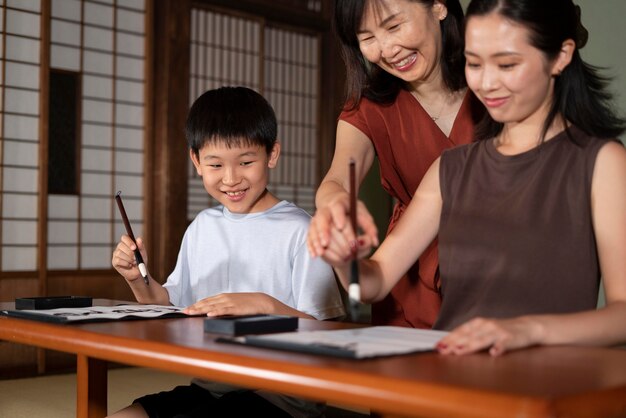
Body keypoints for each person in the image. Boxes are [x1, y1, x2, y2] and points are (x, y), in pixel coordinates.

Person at [309, 0, 626, 356]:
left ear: (561, 56)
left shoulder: (602, 163)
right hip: (453, 376)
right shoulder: (450, 168)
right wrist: (342, 257)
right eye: (474, 64)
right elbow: (372, 284)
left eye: (507, 64)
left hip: (546, 387)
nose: (487, 83)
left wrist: (529, 329)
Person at [110, 86, 345, 418]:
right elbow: (168, 307)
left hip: (279, 395)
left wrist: (263, 304)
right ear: (196, 161)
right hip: (212, 386)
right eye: (216, 164)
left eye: (246, 162)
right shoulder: (202, 227)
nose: (232, 179)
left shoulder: (301, 230)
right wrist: (137, 279)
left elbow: (329, 338)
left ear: (272, 154)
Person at [310, 0, 483, 328]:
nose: (387, 49)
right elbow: (337, 179)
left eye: (393, 26)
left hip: (496, 268)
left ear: (438, 7)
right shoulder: (368, 106)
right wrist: (337, 207)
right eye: (367, 38)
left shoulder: (495, 87)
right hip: (406, 271)